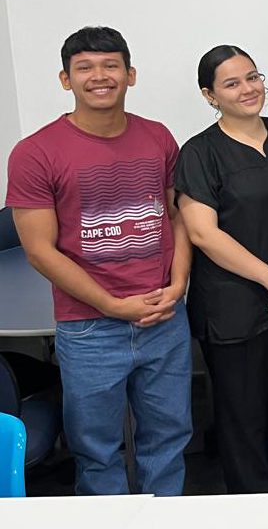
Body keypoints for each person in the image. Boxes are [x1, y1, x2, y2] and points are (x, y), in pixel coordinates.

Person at [6, 26, 192, 495]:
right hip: (89, 326)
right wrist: (112, 305)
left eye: (111, 65)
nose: (100, 76)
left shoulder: (157, 137)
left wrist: (179, 284)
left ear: (131, 74)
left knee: (169, 439)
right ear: (65, 79)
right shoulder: (35, 153)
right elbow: (40, 250)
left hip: (165, 315)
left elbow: (176, 215)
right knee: (96, 450)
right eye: (84, 67)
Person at [175, 45, 268, 493]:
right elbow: (203, 233)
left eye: (253, 77)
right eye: (232, 83)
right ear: (210, 95)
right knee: (243, 411)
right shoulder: (200, 152)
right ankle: (252, 500)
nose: (248, 89)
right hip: (234, 303)